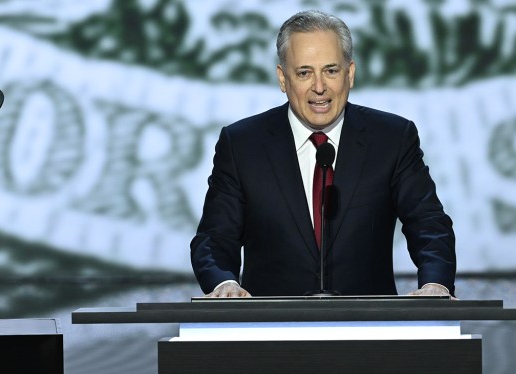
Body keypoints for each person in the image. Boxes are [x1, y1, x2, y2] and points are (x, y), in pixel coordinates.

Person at [190, 9, 457, 298]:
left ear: (350, 74)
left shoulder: (392, 138)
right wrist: (224, 284)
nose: (319, 87)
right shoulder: (242, 144)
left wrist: (435, 285)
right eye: (304, 72)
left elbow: (428, 224)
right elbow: (215, 238)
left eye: (331, 70)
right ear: (283, 79)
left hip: (368, 330)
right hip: (270, 332)